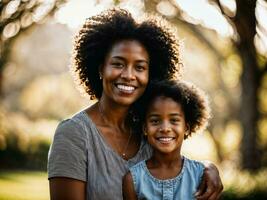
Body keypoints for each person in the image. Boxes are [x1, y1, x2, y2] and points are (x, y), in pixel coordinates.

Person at [48, 8, 223, 200]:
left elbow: (178, 168)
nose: (128, 75)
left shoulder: (150, 129)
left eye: (140, 67)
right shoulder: (74, 134)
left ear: (151, 74)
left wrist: (207, 167)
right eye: (118, 64)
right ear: (100, 69)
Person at [123, 80, 212, 199]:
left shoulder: (202, 176)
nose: (165, 128)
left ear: (186, 128)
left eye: (174, 120)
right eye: (155, 121)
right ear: (145, 128)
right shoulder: (132, 180)